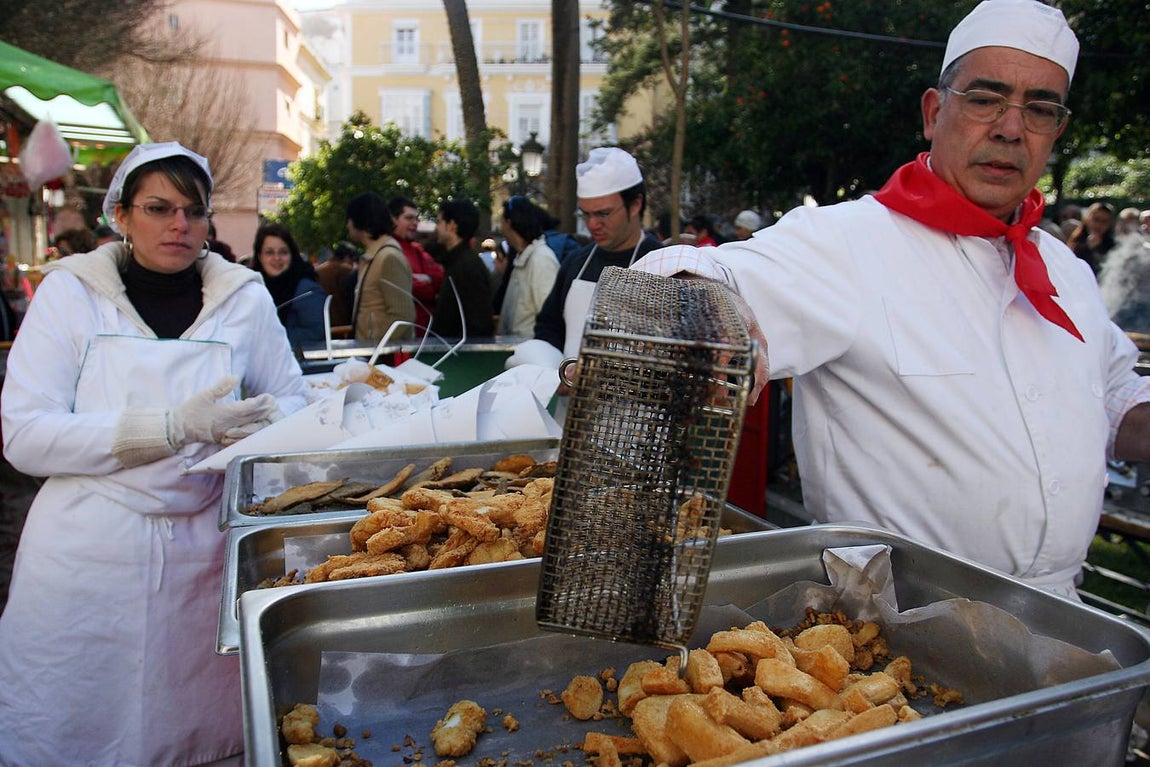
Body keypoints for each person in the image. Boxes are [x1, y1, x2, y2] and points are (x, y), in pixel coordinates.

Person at [633, 0, 1150, 598]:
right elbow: (699, 273)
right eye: (985, 98)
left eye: (1040, 109)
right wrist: (704, 303)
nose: (1011, 127)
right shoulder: (849, 243)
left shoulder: (1066, 269)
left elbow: (1114, 397)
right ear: (934, 112)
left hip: (1065, 621)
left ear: (1056, 132)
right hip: (896, 636)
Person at [0, 141, 307, 765]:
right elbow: (25, 434)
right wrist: (168, 428)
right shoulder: (70, 295)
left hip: (206, 556)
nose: (179, 225)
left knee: (199, 733)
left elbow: (293, 402)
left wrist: (259, 427)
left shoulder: (243, 298)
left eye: (194, 211)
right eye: (159, 208)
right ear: (120, 215)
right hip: (87, 558)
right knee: (77, 729)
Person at [531, 147, 662, 362]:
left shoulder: (664, 263)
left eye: (603, 213)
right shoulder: (575, 262)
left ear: (636, 204)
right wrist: (550, 369)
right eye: (586, 214)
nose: (592, 224)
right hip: (570, 392)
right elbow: (548, 328)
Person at [346, 191, 414, 344]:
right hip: (373, 356)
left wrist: (376, 345)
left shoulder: (388, 257)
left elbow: (403, 314)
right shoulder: (374, 256)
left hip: (383, 359)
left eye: (349, 219)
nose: (347, 225)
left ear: (359, 220)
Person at [250, 222, 326, 348]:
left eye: (283, 252)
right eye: (269, 252)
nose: (277, 258)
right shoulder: (254, 288)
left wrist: (271, 335)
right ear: (259, 256)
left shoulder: (306, 290)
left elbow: (317, 332)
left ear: (292, 255)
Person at [498, 195, 561, 337]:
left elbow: (550, 318)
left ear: (508, 223)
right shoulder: (522, 256)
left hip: (533, 353)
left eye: (501, 220)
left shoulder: (542, 259)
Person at [431, 199, 494, 338]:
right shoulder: (457, 261)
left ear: (452, 225)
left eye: (439, 221)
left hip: (459, 353)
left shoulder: (468, 266)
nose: (437, 227)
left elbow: (478, 322)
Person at [388, 195, 445, 330]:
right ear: (393, 219)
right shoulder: (388, 250)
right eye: (409, 218)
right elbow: (407, 287)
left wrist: (424, 279)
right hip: (403, 332)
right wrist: (428, 283)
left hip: (424, 329)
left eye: (416, 218)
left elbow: (441, 277)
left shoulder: (416, 249)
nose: (415, 223)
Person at [1066, 201, 1117, 274]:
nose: (1099, 225)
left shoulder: (1113, 246)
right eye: (1096, 219)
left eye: (1104, 221)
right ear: (1087, 219)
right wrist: (1088, 248)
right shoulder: (1076, 242)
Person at [316, 240, 358, 327]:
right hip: (342, 322)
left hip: (322, 320)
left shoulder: (319, 270)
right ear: (347, 257)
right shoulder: (346, 271)